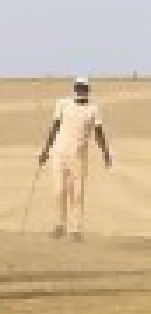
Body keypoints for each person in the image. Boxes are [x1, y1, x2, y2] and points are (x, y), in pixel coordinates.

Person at [39, 77, 112, 240]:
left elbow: (99, 132)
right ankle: (60, 225)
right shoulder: (63, 103)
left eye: (83, 87)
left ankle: (76, 229)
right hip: (58, 153)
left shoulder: (93, 109)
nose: (80, 90)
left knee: (77, 193)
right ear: (74, 88)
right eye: (78, 87)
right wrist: (45, 150)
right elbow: (55, 127)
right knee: (59, 190)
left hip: (79, 156)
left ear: (88, 89)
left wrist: (105, 152)